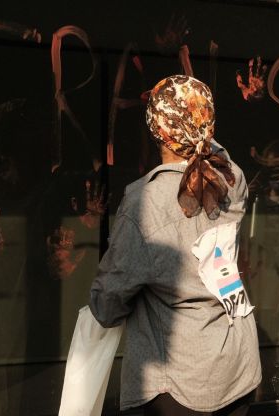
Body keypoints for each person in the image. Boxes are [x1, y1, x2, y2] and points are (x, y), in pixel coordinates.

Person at [89, 75, 261, 415]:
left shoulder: (147, 201)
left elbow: (107, 304)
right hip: (239, 368)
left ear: (157, 130)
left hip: (179, 385)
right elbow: (211, 151)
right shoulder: (232, 177)